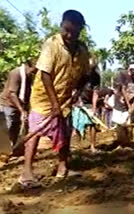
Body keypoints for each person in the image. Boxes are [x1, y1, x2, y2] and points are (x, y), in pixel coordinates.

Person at [20, 10, 90, 187]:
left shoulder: (82, 50)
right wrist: (54, 104)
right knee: (34, 134)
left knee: (64, 133)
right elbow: (45, 75)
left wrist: (78, 91)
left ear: (80, 30)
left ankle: (62, 168)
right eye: (65, 30)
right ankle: (26, 173)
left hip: (65, 98)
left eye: (72, 32)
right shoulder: (51, 44)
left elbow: (85, 75)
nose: (68, 35)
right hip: (43, 98)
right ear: (62, 25)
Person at [0, 61, 37, 147]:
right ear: (32, 65)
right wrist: (22, 110)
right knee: (6, 129)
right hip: (7, 105)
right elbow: (12, 93)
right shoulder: (16, 73)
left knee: (15, 129)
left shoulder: (29, 76)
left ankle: (12, 149)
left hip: (19, 106)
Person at [72, 57, 101, 153]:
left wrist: (94, 107)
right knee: (77, 124)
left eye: (92, 68)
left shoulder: (96, 77)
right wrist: (78, 100)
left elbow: (95, 93)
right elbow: (75, 89)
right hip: (78, 102)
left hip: (88, 103)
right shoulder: (80, 74)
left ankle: (92, 146)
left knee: (93, 124)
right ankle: (78, 146)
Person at [112, 64, 134, 145]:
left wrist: (133, 104)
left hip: (130, 104)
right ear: (130, 70)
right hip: (120, 103)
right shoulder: (122, 74)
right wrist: (129, 105)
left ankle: (127, 141)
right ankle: (121, 142)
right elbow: (123, 90)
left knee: (129, 123)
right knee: (120, 123)